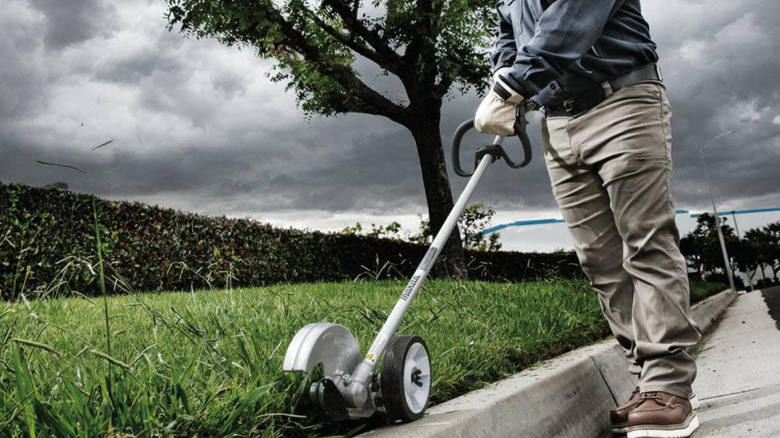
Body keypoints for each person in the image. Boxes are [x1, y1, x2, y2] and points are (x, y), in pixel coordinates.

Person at [474, 1, 703, 437]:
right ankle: (646, 380)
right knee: (600, 261)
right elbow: (509, 32)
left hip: (621, 99)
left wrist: (513, 85)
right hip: (558, 121)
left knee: (646, 243)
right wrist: (502, 82)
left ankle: (669, 386)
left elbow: (571, 17)